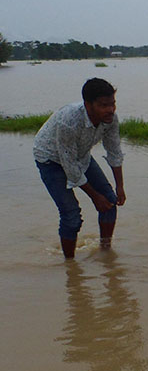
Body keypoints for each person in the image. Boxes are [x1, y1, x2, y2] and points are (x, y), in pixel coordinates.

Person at [34, 78, 126, 259]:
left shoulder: (111, 119)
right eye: (103, 105)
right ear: (88, 105)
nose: (110, 110)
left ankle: (105, 253)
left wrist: (120, 186)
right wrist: (95, 196)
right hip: (51, 159)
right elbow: (68, 165)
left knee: (110, 201)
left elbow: (114, 151)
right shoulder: (69, 121)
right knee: (71, 215)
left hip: (81, 155)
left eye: (112, 104)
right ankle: (70, 266)